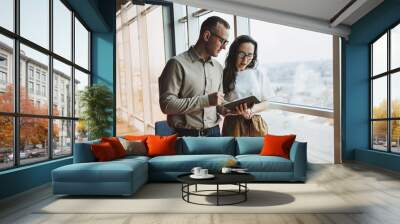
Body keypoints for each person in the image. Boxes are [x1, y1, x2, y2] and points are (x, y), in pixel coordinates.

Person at [159, 16, 230, 137]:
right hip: (185, 136)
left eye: (226, 43)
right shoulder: (176, 64)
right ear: (207, 36)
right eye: (222, 41)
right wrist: (206, 100)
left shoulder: (218, 68)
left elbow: (217, 104)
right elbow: (166, 105)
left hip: (214, 134)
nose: (224, 47)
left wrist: (228, 110)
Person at [222, 35, 274, 136]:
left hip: (256, 123)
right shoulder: (223, 74)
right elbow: (218, 105)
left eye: (250, 55)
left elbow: (266, 102)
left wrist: (251, 110)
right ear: (234, 53)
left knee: (257, 151)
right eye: (241, 54)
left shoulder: (258, 74)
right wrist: (231, 111)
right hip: (233, 124)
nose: (245, 60)